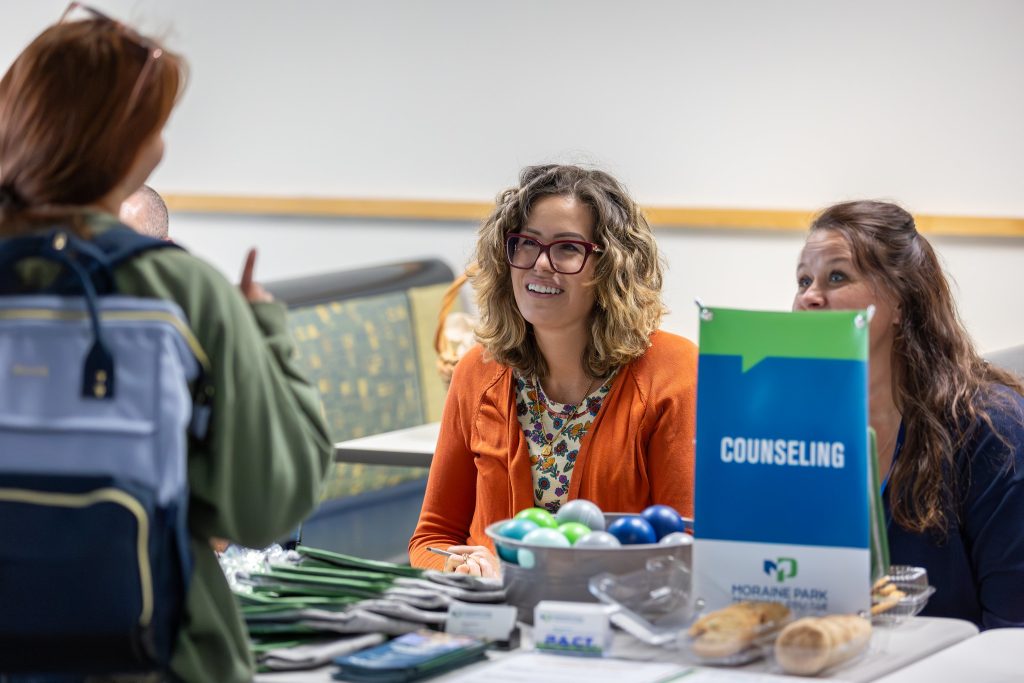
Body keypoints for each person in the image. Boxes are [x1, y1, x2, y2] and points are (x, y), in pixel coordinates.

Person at [0, 6, 333, 681]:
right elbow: (269, 504)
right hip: (161, 657)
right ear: (124, 145)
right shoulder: (181, 290)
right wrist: (266, 331)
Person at [409, 164, 699, 576]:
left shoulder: (674, 371)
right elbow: (432, 537)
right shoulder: (477, 369)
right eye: (526, 243)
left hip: (618, 620)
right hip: (495, 616)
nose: (540, 264)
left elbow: (685, 546)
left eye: (567, 248)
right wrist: (459, 568)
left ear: (609, 266)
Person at [793, 200, 1024, 629]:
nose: (809, 297)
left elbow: (1015, 629)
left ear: (901, 301)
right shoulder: (798, 430)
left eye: (836, 276)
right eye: (803, 280)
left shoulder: (995, 432)